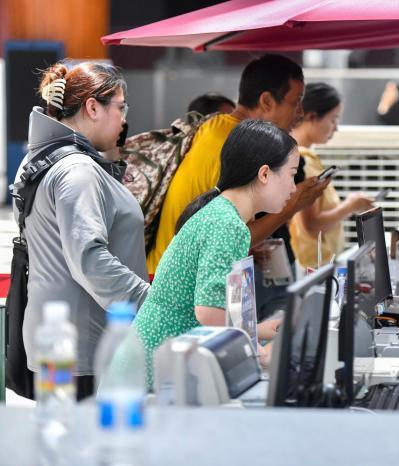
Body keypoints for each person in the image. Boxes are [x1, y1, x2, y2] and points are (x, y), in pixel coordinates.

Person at [14, 62, 150, 399]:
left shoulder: (42, 158)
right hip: (87, 349)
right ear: (92, 107)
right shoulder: (78, 171)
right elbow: (90, 259)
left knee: (60, 428)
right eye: (120, 107)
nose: (124, 120)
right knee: (86, 431)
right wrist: (151, 302)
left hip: (58, 342)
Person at [130, 120, 298, 387]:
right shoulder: (228, 225)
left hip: (156, 358)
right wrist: (256, 351)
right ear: (265, 174)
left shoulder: (223, 215)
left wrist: (255, 331)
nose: (294, 187)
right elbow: (209, 312)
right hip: (154, 369)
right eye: (291, 174)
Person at [146, 54, 328, 274]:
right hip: (180, 280)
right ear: (266, 102)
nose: (300, 113)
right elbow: (242, 235)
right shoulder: (240, 143)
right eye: (296, 102)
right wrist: (294, 204)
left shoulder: (216, 125)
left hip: (166, 270)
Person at [289, 83, 375, 268]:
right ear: (312, 117)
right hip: (313, 264)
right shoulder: (302, 161)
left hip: (318, 262)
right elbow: (311, 226)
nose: (335, 129)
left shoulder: (304, 157)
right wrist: (349, 206)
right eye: (333, 120)